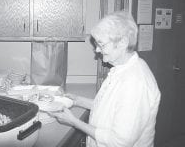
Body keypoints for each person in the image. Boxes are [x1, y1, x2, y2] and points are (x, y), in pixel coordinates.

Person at [49, 11, 161, 147]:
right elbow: (107, 108)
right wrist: (76, 100)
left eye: (101, 44)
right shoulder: (121, 69)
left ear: (123, 43)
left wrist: (74, 122)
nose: (97, 50)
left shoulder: (135, 83)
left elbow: (120, 142)